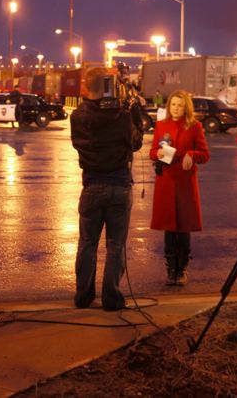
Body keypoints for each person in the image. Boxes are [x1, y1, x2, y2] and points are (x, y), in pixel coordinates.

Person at [70, 67, 144, 311]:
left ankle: (83, 296)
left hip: (91, 186)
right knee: (115, 245)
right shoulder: (120, 116)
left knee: (87, 244)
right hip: (119, 186)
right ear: (108, 86)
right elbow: (135, 143)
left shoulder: (78, 116)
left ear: (88, 87)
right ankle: (112, 299)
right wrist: (134, 115)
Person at [149, 90, 210, 286]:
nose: (176, 108)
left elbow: (204, 154)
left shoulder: (195, 127)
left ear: (186, 108)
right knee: (168, 227)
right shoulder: (161, 125)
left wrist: (191, 154)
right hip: (166, 181)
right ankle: (170, 269)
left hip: (185, 183)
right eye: (173, 105)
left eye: (180, 105)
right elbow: (152, 151)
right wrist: (158, 153)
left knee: (183, 227)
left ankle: (182, 268)